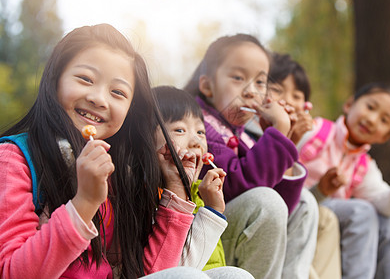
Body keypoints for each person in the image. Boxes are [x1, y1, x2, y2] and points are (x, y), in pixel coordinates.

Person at [0, 24, 213, 278]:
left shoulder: (117, 174)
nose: (99, 99)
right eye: (86, 79)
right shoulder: (15, 160)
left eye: (118, 92)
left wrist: (177, 190)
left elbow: (153, 273)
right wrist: (84, 203)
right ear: (56, 78)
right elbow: (13, 272)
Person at [184, 34, 318, 279]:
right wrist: (277, 134)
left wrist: (279, 136)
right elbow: (237, 186)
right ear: (207, 86)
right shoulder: (199, 127)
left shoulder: (241, 133)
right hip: (202, 236)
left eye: (260, 82)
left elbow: (282, 208)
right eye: (238, 78)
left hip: (231, 227)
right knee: (265, 201)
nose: (250, 92)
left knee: (306, 203)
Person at [297, 82, 390, 279]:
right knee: (363, 211)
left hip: (330, 215)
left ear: (385, 137)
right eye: (370, 107)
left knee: (389, 223)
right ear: (349, 104)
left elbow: (386, 205)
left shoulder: (364, 166)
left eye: (384, 120)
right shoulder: (314, 130)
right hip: (302, 205)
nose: (371, 119)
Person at [252, 52, 341, 279]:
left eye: (297, 95)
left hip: (283, 215)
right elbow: (271, 195)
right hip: (258, 224)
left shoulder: (304, 138)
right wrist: (286, 139)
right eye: (278, 90)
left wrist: (290, 141)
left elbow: (289, 196)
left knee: (327, 218)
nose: (289, 100)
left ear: (306, 105)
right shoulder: (248, 131)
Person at [153, 85, 253, 278]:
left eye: (201, 132)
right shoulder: (146, 196)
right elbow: (175, 270)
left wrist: (212, 209)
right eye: (180, 130)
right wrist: (211, 213)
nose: (196, 142)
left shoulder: (200, 193)